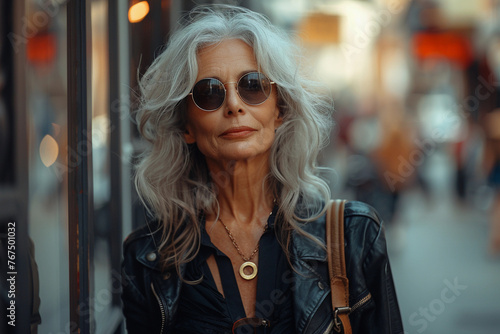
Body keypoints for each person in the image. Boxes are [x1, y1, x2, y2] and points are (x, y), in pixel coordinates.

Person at [121, 5, 404, 334]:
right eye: (209, 92)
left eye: (252, 85)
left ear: (279, 109)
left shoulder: (353, 237)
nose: (234, 105)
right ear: (186, 126)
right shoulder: (147, 259)